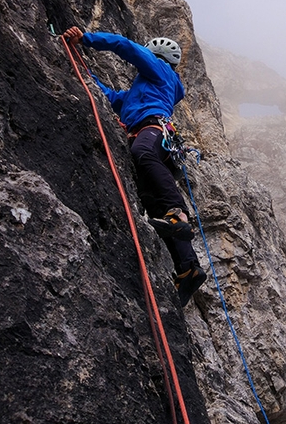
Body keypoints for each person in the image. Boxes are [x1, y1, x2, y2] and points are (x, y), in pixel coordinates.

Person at [63, 26, 207, 307]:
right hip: (152, 138)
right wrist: (80, 68)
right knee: (151, 202)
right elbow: (110, 96)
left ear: (155, 56)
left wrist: (86, 39)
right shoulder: (138, 92)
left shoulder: (160, 70)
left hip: (152, 131)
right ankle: (188, 267)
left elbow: (126, 46)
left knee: (142, 153)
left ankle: (180, 214)